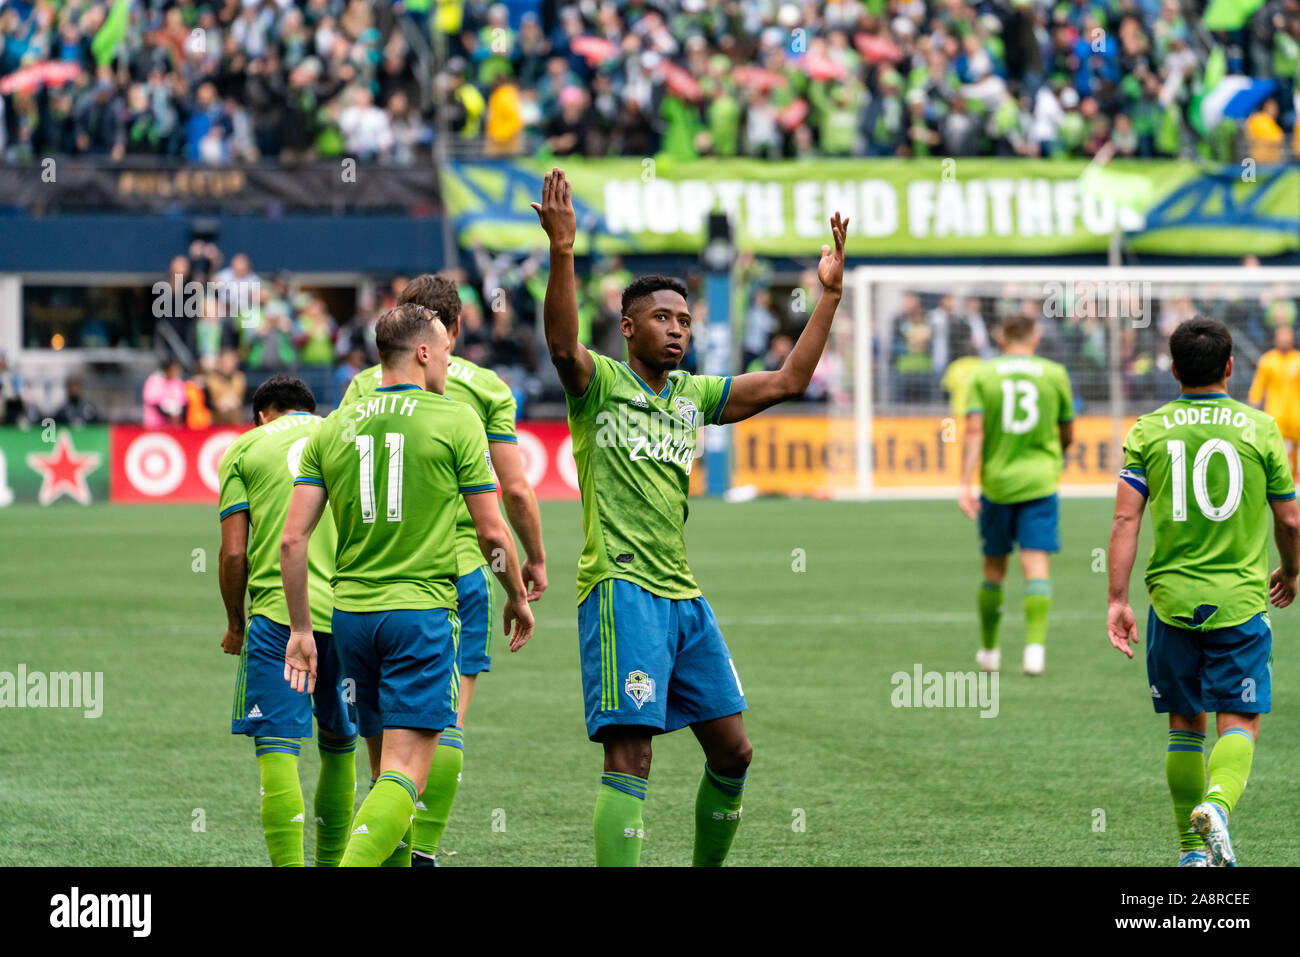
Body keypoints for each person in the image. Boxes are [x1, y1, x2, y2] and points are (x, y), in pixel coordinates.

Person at [530, 167, 848, 866]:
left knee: (734, 749)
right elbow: (560, 346)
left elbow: (791, 380)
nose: (677, 331)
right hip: (622, 588)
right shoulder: (598, 384)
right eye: (663, 319)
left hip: (683, 595)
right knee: (631, 754)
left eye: (684, 321)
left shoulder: (693, 395)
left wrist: (827, 296)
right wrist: (563, 251)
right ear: (628, 327)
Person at [282, 304, 534, 867]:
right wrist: (516, 595)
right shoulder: (454, 420)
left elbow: (292, 541)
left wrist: (302, 627)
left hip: (350, 619)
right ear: (423, 352)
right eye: (445, 350)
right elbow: (492, 529)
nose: (450, 360)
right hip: (418, 614)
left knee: (381, 770)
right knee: (405, 775)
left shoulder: (335, 425)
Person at [340, 274, 548, 866]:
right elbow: (514, 490)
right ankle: (423, 851)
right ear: (451, 331)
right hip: (457, 572)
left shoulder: (362, 386)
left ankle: (394, 851)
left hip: (366, 578)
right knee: (443, 723)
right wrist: (530, 561)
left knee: (384, 743)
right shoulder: (485, 389)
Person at [1107, 317, 1299, 866]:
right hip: (1238, 602)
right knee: (1239, 720)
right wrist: (1291, 572)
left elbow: (1125, 520)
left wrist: (1117, 600)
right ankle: (1217, 804)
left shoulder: (1148, 430)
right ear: (1231, 367)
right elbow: (1289, 520)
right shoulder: (1261, 429)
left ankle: (1193, 855)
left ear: (1172, 369)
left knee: (1183, 725)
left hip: (1171, 603)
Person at [217, 375, 357, 867]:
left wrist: (236, 622)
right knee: (340, 743)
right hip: (351, 612)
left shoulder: (245, 448)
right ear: (310, 410)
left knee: (278, 750)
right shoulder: (346, 432)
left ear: (263, 413)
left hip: (280, 618)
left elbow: (234, 554)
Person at [958, 315, 1075, 676]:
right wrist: (1059, 453)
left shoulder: (984, 374)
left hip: (997, 483)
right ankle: (1034, 652)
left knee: (994, 568)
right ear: (1035, 337)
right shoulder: (1055, 374)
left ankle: (990, 652)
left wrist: (965, 483)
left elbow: (974, 432)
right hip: (1040, 481)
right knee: (1036, 565)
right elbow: (1068, 429)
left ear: (1001, 336)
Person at [1248, 322, 1300, 477]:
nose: (1284, 339)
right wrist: (1253, 406)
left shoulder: (1298, 360)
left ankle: (1296, 479)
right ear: (1276, 339)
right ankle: (1280, 479)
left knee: (1296, 450)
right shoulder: (1267, 361)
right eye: (1281, 336)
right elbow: (1258, 387)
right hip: (1275, 414)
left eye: (1287, 336)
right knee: (1277, 450)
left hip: (1296, 415)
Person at [142, 359, 188, 427]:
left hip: (173, 425)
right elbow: (152, 401)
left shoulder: (177, 382)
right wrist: (168, 413)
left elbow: (183, 401)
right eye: (174, 370)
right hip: (155, 424)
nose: (176, 373)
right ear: (167, 370)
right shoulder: (154, 381)